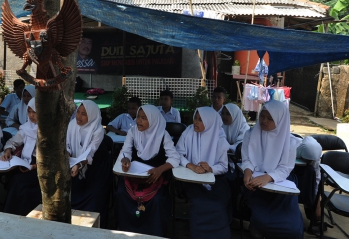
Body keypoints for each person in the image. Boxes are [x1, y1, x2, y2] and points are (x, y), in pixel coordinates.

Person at [241, 100, 303, 239]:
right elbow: (247, 159)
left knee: (292, 228)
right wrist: (247, 171)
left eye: (270, 118)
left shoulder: (290, 142)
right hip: (255, 184)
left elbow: (285, 168)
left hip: (280, 185)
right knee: (262, 221)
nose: (264, 121)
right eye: (262, 116)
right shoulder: (250, 134)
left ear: (281, 120)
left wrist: (267, 177)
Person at [115, 105, 180, 236]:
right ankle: (125, 231)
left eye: (144, 118)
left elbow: (175, 158)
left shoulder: (162, 135)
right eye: (138, 117)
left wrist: (160, 169)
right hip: (134, 177)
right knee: (121, 194)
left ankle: (153, 233)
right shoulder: (133, 131)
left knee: (156, 201)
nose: (138, 120)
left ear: (153, 120)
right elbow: (125, 151)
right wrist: (125, 160)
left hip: (155, 178)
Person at [176, 107, 232, 239]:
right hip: (191, 177)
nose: (195, 122)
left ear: (210, 122)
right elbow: (177, 153)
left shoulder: (220, 139)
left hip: (215, 178)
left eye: (200, 120)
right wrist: (190, 165)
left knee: (219, 202)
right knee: (199, 202)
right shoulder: (188, 132)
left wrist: (211, 168)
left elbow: (224, 167)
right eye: (195, 118)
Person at [67, 100, 111, 226]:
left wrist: (79, 165)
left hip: (96, 169)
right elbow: (68, 145)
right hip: (75, 166)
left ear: (91, 116)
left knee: (95, 197)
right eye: (78, 112)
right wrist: (67, 153)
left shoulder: (97, 130)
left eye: (83, 114)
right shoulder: (72, 125)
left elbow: (90, 152)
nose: (78, 117)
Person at [1, 97, 41, 216]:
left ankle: (21, 215)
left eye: (35, 112)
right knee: (14, 179)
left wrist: (34, 166)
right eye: (29, 111)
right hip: (26, 162)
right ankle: (11, 215)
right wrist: (8, 150)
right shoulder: (26, 128)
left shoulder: (49, 130)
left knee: (20, 183)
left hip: (41, 166)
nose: (31, 115)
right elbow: (13, 142)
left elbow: (52, 157)